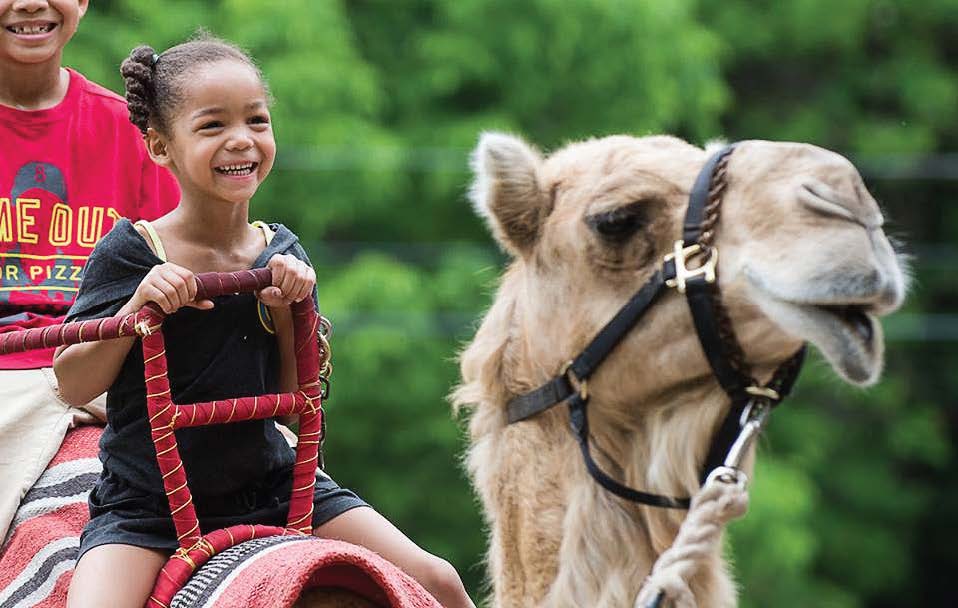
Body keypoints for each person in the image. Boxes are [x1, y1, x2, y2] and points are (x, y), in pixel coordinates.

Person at [53, 35, 475, 608]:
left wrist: (286, 316)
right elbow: (73, 384)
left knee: (441, 582)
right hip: (150, 506)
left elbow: (290, 396)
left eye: (256, 120)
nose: (241, 140)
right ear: (159, 147)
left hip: (276, 486)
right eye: (211, 126)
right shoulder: (132, 251)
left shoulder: (279, 252)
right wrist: (136, 310)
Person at [0, 0, 179, 543]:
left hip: (117, 365)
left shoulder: (131, 133)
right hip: (6, 378)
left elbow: (184, 254)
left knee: (269, 467)